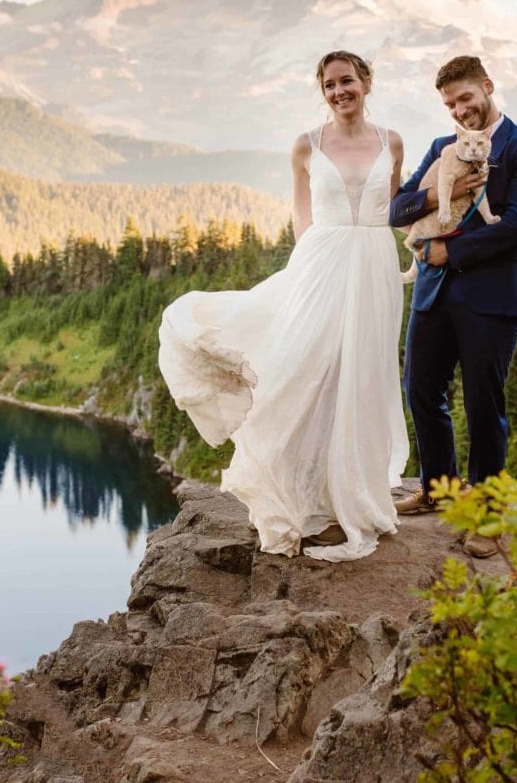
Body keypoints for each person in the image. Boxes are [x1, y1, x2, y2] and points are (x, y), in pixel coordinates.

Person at [158, 50, 409, 562]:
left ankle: (353, 500)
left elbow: (399, 207)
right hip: (323, 264)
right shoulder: (306, 145)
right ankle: (300, 499)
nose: (339, 92)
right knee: (304, 371)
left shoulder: (393, 142)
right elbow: (302, 216)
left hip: (377, 268)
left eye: (347, 81)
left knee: (363, 376)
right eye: (329, 85)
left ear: (366, 82)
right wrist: (301, 277)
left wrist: (435, 229)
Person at [389, 55, 517, 558]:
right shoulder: (443, 147)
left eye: (466, 98)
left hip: (492, 296)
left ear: (487, 86)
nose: (460, 111)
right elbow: (398, 208)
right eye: (450, 105)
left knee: (484, 403)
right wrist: (446, 193)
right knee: (420, 389)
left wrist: (449, 251)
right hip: (433, 292)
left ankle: (488, 512)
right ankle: (439, 488)